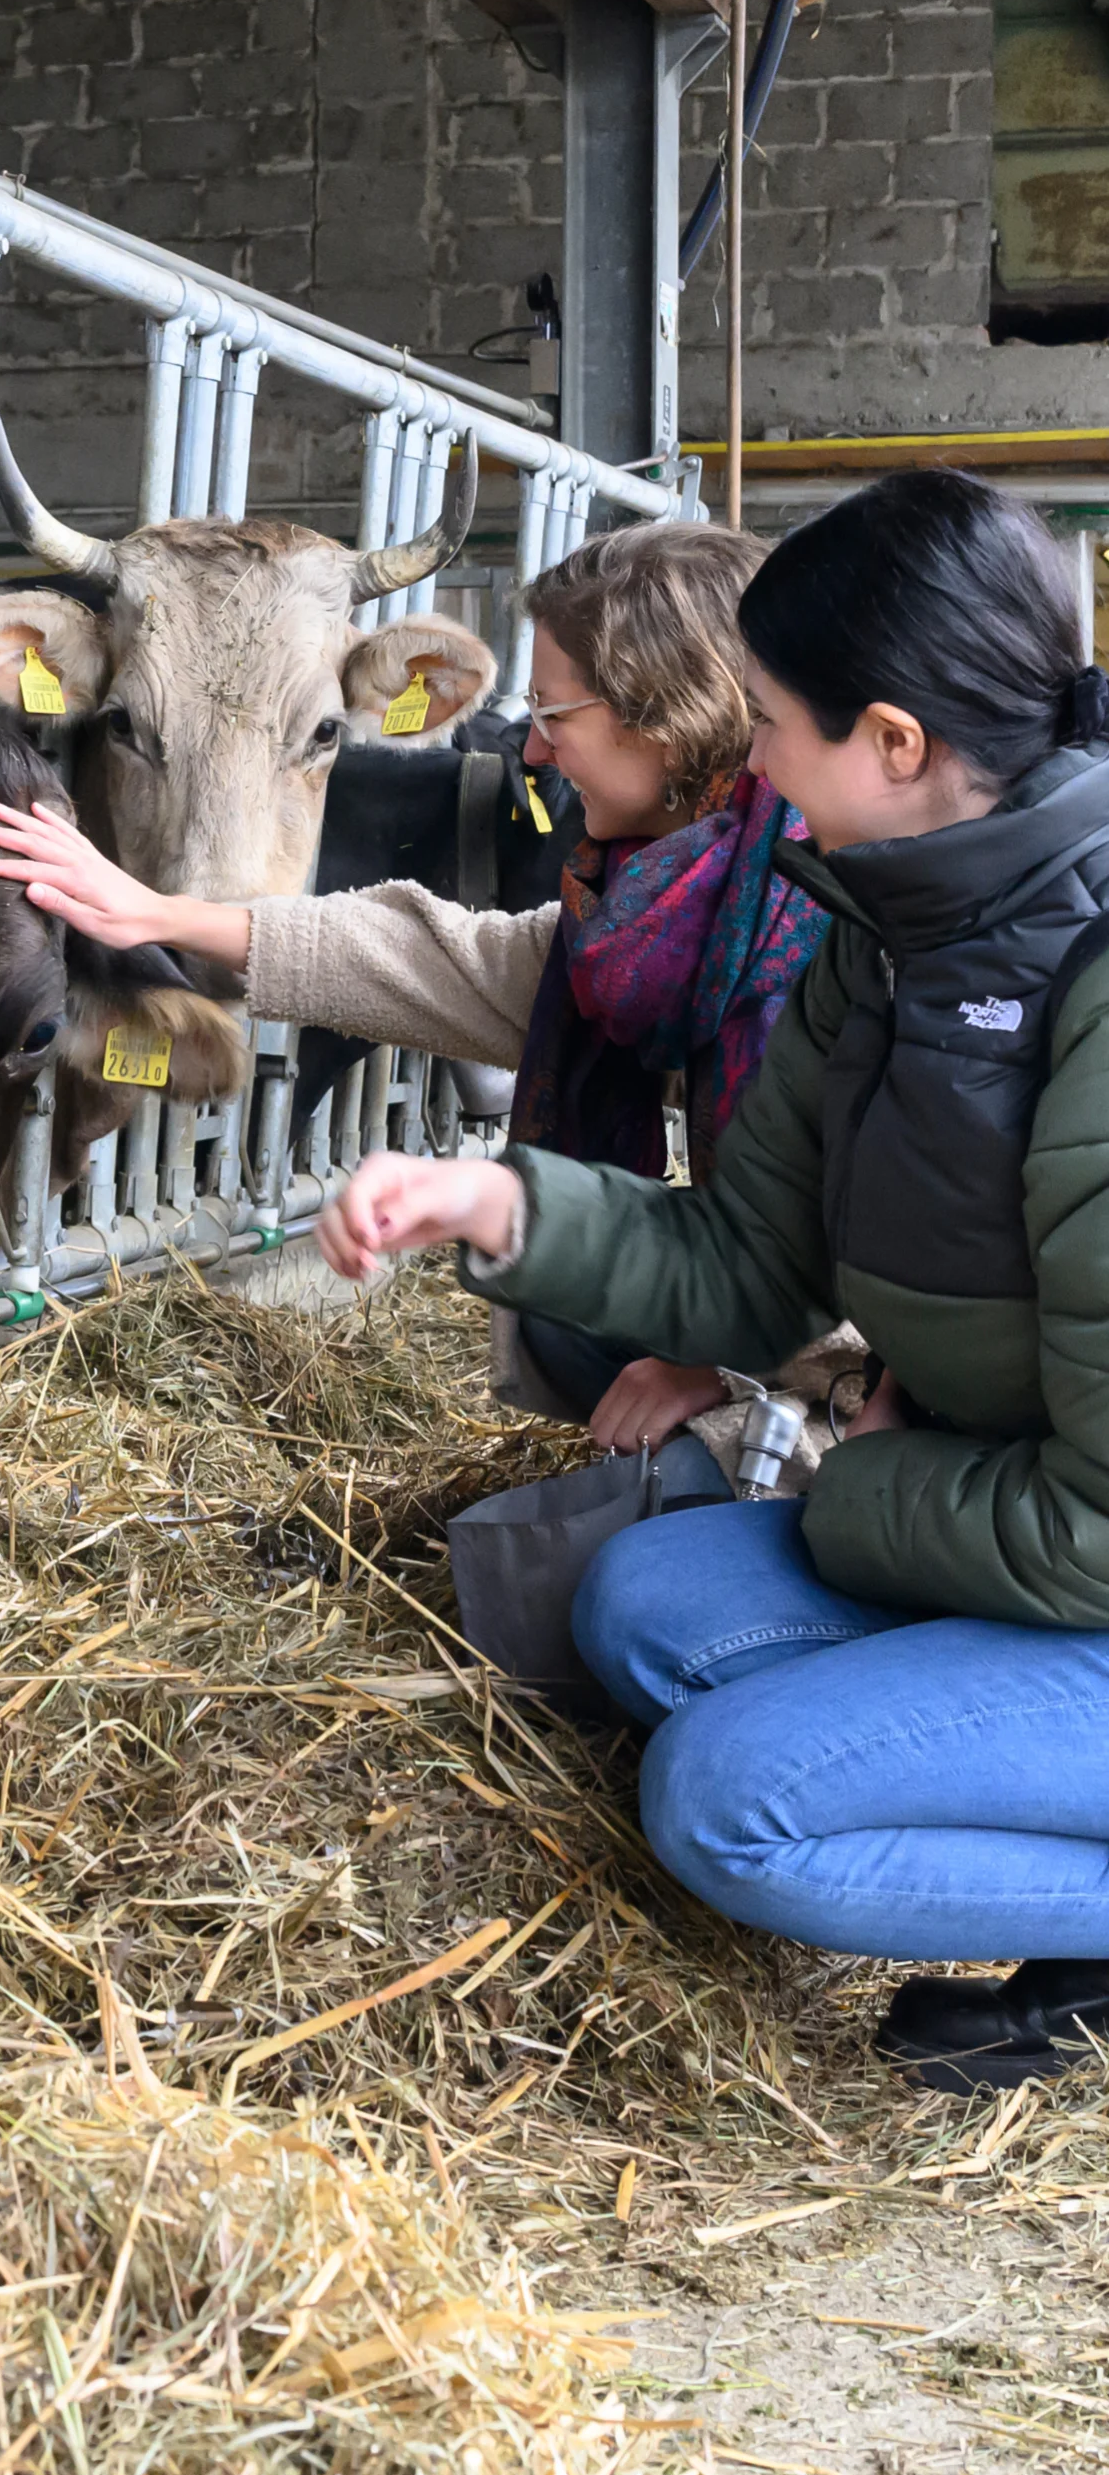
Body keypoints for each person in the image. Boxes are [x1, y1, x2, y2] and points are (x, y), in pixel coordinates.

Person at [314, 469, 1109, 2094]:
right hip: (1005, 1505)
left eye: (764, 722)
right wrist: (495, 1201)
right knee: (642, 1608)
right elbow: (750, 1265)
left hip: (1076, 1549)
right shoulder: (878, 937)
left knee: (725, 1800)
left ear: (892, 743)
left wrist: (864, 1492)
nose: (743, 758)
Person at [0, 523, 828, 1469]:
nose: (530, 751)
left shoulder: (832, 942)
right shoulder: (670, 912)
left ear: (665, 719)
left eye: (553, 715)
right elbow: (442, 962)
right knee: (562, 1329)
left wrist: (731, 1371)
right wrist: (162, 913)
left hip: (867, 1400)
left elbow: (904, 1267)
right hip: (766, 1316)